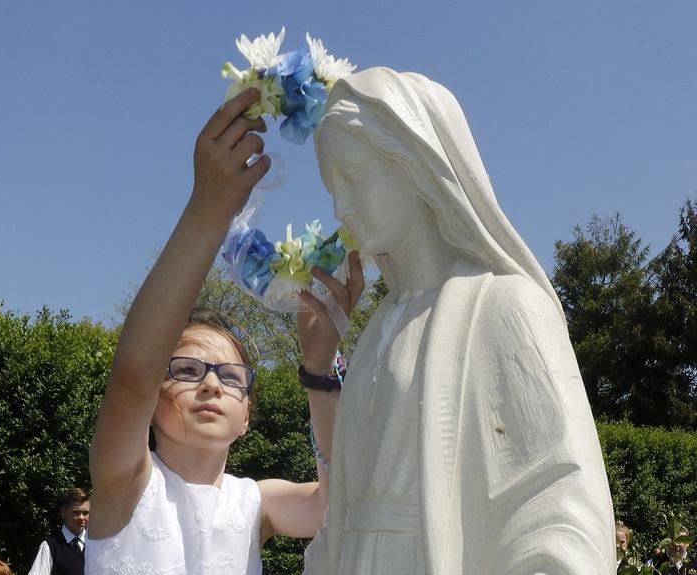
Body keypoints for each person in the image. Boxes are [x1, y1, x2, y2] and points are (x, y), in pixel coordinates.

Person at [304, 67, 616, 574]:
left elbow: (562, 504)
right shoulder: (375, 335)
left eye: (355, 177)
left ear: (417, 163)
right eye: (333, 186)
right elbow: (343, 507)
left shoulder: (506, 306)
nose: (341, 207)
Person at [84, 87, 363, 574]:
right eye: (187, 369)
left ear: (247, 415)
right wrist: (210, 206)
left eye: (231, 377)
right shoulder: (124, 482)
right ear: (152, 401)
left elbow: (338, 502)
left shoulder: (255, 503)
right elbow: (132, 373)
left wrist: (319, 373)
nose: (212, 383)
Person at [28, 487, 90, 575]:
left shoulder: (95, 544)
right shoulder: (50, 546)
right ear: (63, 512)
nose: (81, 518)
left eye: (85, 513)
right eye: (76, 512)